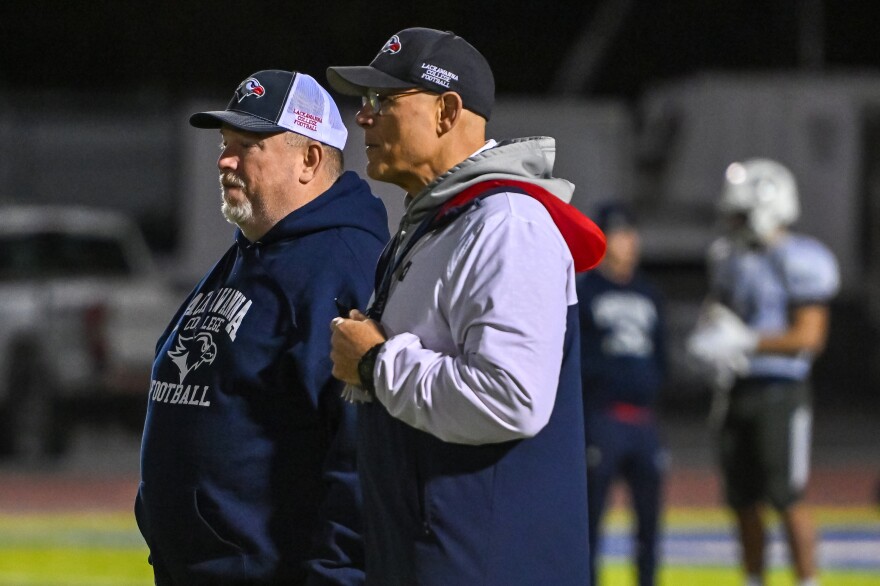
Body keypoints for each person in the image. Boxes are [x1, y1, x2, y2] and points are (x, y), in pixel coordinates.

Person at [324, 27, 607, 586]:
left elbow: (513, 397)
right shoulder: (443, 221)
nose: (364, 117)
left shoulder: (507, 224)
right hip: (442, 555)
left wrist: (378, 365)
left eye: (384, 100)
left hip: (486, 561)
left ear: (447, 111)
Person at [135, 70, 389, 585]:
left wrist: (336, 575)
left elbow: (364, 451)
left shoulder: (342, 267)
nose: (224, 160)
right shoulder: (251, 252)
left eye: (248, 146)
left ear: (309, 159)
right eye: (225, 144)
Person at [686, 158, 839, 586]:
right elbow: (717, 315)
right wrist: (709, 341)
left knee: (786, 496)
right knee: (742, 500)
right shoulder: (728, 257)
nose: (732, 222)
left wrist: (747, 341)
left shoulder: (801, 258)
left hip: (780, 389)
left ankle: (807, 581)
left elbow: (810, 336)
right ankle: (754, 580)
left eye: (740, 213)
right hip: (736, 388)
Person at [576, 202, 667, 586]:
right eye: (618, 234)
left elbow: (660, 353)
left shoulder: (649, 293)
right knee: (591, 519)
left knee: (649, 522)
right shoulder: (586, 292)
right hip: (603, 417)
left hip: (643, 420)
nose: (627, 242)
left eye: (631, 233)